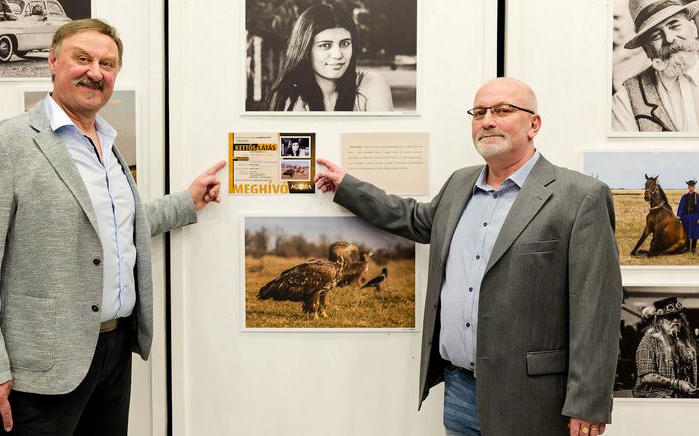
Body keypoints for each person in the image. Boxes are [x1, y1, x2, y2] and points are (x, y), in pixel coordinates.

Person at [0, 19, 225, 435]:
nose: (95, 72)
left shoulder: (107, 145)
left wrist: (186, 202)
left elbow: (116, 227)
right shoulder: (6, 145)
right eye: (83, 59)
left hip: (113, 353)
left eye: (107, 63)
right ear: (53, 62)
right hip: (43, 366)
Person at [314, 77, 623, 436]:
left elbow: (596, 309)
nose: (488, 120)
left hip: (534, 399)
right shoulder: (460, 184)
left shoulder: (580, 196)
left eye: (503, 110)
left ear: (534, 124)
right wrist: (348, 187)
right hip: (460, 390)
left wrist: (587, 403)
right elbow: (414, 219)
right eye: (479, 113)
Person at [265, 3, 393, 112]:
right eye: (325, 45)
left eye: (344, 44)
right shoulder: (290, 100)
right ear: (305, 49)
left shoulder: (372, 84)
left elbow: (384, 140)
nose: (338, 55)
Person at [612, 0, 699, 131]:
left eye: (674, 25)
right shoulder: (625, 100)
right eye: (656, 35)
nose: (669, 39)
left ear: (694, 29)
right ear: (647, 50)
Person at [633, 297, 699, 398]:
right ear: (659, 321)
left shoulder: (684, 341)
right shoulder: (649, 341)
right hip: (657, 395)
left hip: (683, 395)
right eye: (670, 317)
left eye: (678, 316)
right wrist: (678, 384)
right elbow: (647, 376)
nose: (676, 320)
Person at [677, 179, 699, 252]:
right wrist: (679, 216)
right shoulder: (684, 197)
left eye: (693, 186)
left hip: (694, 217)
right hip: (685, 217)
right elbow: (681, 207)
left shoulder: (697, 196)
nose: (691, 188)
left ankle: (693, 248)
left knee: (694, 233)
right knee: (686, 232)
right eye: (690, 186)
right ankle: (687, 248)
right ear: (688, 187)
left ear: (694, 187)